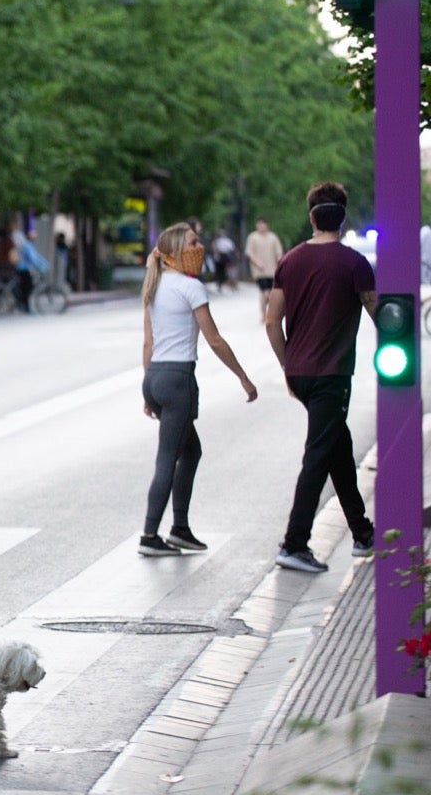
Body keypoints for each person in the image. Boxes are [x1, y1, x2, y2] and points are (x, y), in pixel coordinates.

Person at [264, 182, 377, 574]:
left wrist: (287, 365)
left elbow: (271, 321)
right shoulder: (354, 264)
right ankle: (294, 543)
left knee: (337, 450)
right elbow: (381, 314)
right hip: (332, 375)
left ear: (312, 217)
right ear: (342, 219)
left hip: (301, 372)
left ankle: (363, 534)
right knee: (318, 454)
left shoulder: (289, 262)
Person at [138, 223, 258, 558]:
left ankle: (180, 529)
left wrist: (148, 391)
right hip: (177, 380)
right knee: (168, 458)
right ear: (176, 251)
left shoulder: (155, 286)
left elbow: (148, 343)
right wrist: (243, 377)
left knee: (191, 452)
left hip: (156, 378)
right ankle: (150, 535)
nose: (199, 247)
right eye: (192, 242)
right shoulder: (191, 288)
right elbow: (215, 339)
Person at [245, 219, 285, 324]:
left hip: (272, 270)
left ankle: (270, 312)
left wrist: (280, 264)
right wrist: (257, 263)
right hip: (259, 271)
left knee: (271, 293)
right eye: (259, 224)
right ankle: (263, 313)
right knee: (263, 292)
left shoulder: (273, 237)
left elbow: (279, 252)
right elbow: (250, 253)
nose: (261, 226)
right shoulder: (253, 237)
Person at [11, 224, 47, 314]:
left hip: (21, 269)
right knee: (28, 289)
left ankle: (22, 305)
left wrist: (42, 263)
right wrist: (42, 266)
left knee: (25, 288)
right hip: (24, 270)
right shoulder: (27, 246)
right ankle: (26, 307)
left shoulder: (25, 246)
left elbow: (35, 257)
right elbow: (33, 258)